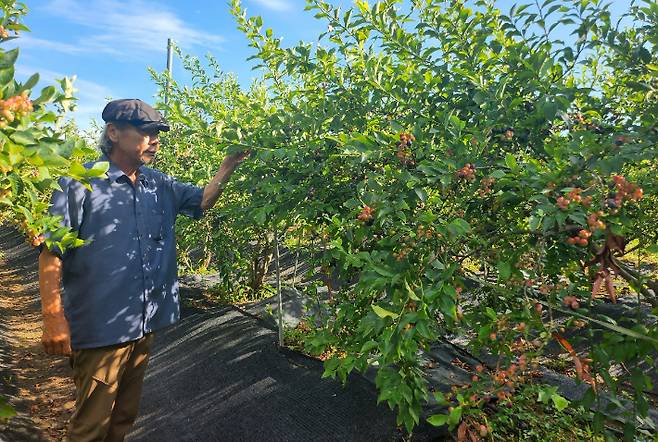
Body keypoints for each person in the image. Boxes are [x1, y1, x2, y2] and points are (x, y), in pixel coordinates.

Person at [37, 99, 249, 441]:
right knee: (91, 424)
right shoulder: (80, 184)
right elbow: (51, 253)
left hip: (144, 323)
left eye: (157, 133)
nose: (154, 140)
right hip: (101, 328)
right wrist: (52, 317)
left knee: (123, 416)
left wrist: (227, 167)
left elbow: (203, 200)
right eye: (146, 132)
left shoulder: (158, 184)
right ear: (114, 132)